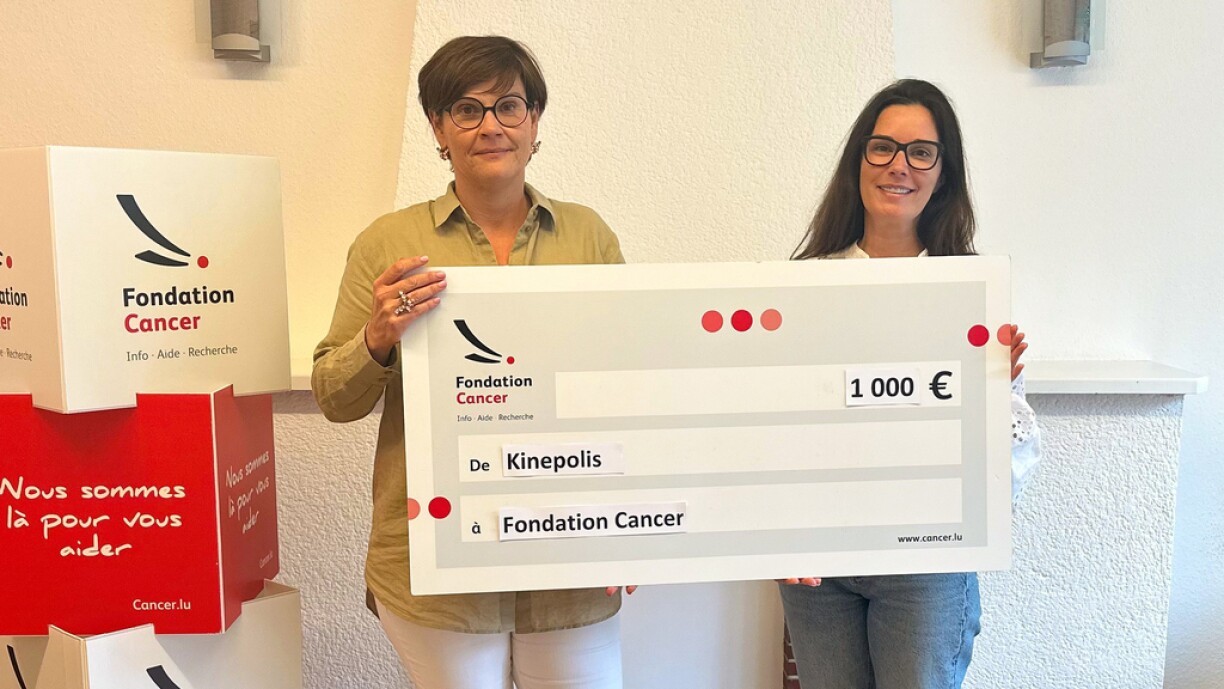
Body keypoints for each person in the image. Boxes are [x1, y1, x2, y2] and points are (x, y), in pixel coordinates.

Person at [312, 36, 627, 689]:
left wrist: (635, 526)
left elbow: (627, 386)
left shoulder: (589, 237)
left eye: (509, 106)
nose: (490, 126)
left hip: (568, 556)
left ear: (534, 120)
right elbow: (334, 398)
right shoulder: (389, 243)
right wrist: (378, 335)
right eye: (466, 109)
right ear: (438, 127)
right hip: (437, 564)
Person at [778, 79, 1042, 689]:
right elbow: (778, 428)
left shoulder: (973, 292)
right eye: (883, 148)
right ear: (859, 160)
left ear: (943, 173)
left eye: (921, 152)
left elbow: (1011, 462)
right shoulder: (802, 285)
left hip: (927, 561)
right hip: (820, 565)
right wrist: (775, 530)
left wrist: (996, 399)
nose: (899, 166)